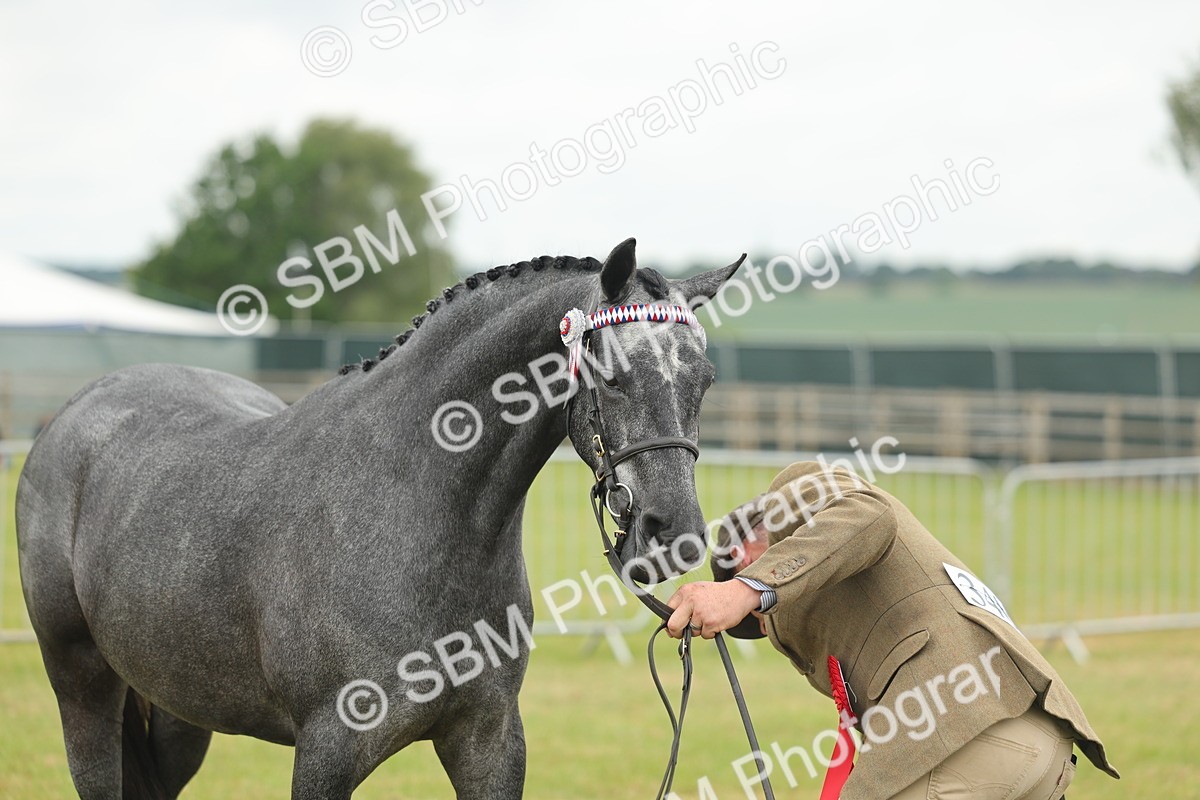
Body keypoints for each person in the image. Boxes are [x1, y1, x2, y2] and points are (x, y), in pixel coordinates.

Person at [665, 461, 1119, 800]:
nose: (771, 621)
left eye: (763, 616)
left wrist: (747, 589)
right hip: (1034, 742)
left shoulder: (797, 496)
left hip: (971, 735)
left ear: (746, 551)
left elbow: (870, 512)